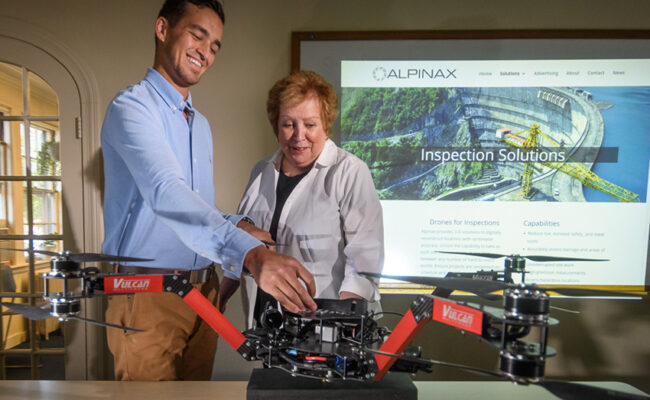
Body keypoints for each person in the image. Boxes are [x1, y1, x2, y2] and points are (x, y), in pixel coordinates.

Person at [100, 0, 316, 381]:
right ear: (163, 29)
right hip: (149, 293)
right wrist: (249, 254)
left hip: (204, 292)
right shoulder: (131, 108)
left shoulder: (199, 125)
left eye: (215, 45)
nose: (206, 52)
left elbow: (194, 205)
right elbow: (167, 192)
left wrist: (239, 225)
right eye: (198, 36)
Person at [224, 70, 384, 328]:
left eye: (310, 125)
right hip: (270, 325)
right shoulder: (261, 170)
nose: (299, 136)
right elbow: (240, 246)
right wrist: (217, 300)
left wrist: (345, 324)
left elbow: (365, 258)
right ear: (276, 126)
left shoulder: (349, 171)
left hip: (328, 326)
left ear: (326, 125)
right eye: (288, 124)